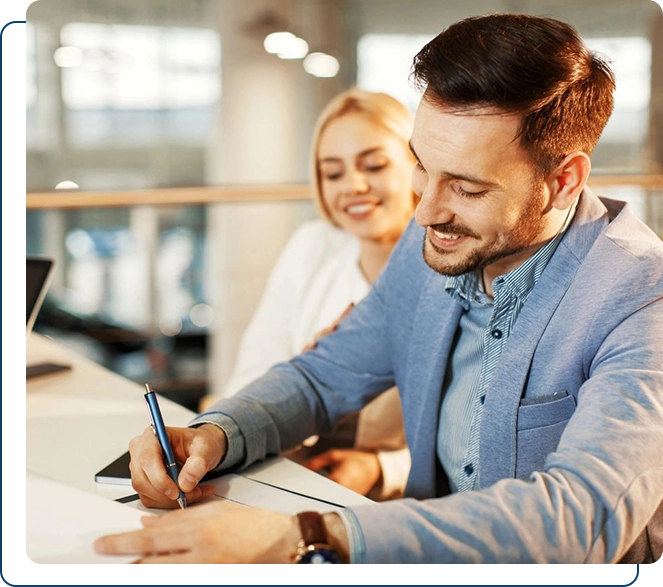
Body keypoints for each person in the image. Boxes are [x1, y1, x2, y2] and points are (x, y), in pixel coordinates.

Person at [94, 13, 663, 565]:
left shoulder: (643, 298)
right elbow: (324, 376)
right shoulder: (438, 251)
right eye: (421, 166)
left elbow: (581, 520)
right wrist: (216, 432)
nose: (425, 211)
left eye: (466, 188)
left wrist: (309, 537)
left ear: (563, 181)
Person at [198, 88, 417, 499]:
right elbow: (252, 375)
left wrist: (381, 468)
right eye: (332, 173)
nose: (353, 185)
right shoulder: (313, 247)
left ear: (417, 164)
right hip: (290, 474)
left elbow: (469, 433)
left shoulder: (451, 266)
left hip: (403, 501)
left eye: (373, 165)